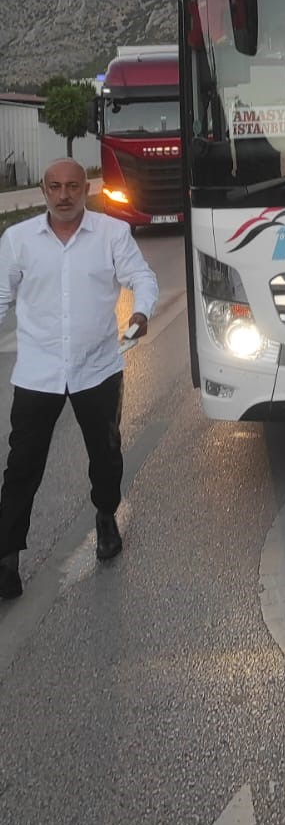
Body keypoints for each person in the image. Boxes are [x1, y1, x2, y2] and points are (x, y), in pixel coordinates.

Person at [0, 160, 159, 601]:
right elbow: (1, 296)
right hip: (38, 371)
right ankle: (7, 557)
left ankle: (106, 515)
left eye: (72, 186)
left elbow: (140, 277)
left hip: (97, 366)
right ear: (42, 189)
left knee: (105, 455)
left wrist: (142, 311)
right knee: (22, 466)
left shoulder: (111, 233)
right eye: (55, 187)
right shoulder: (17, 240)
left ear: (86, 188)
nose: (64, 195)